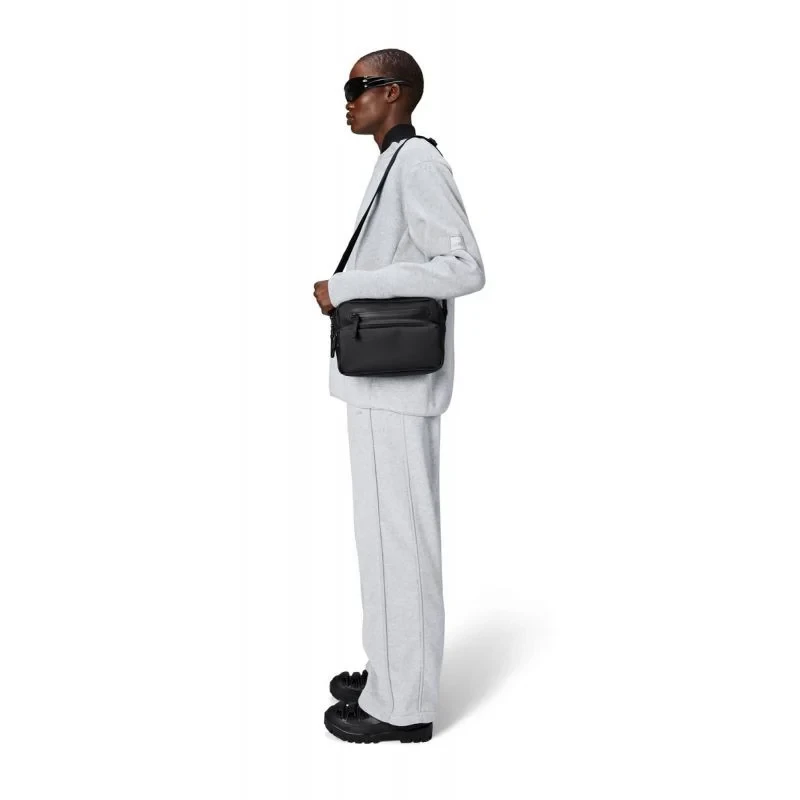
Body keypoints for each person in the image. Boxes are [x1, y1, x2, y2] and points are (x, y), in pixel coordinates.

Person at [313, 48, 486, 744]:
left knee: (399, 544)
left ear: (396, 92)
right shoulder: (393, 161)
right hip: (379, 382)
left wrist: (347, 287)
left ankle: (402, 706)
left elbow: (464, 267)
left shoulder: (416, 162)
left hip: (398, 387)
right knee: (382, 541)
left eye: (359, 86)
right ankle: (391, 671)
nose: (348, 98)